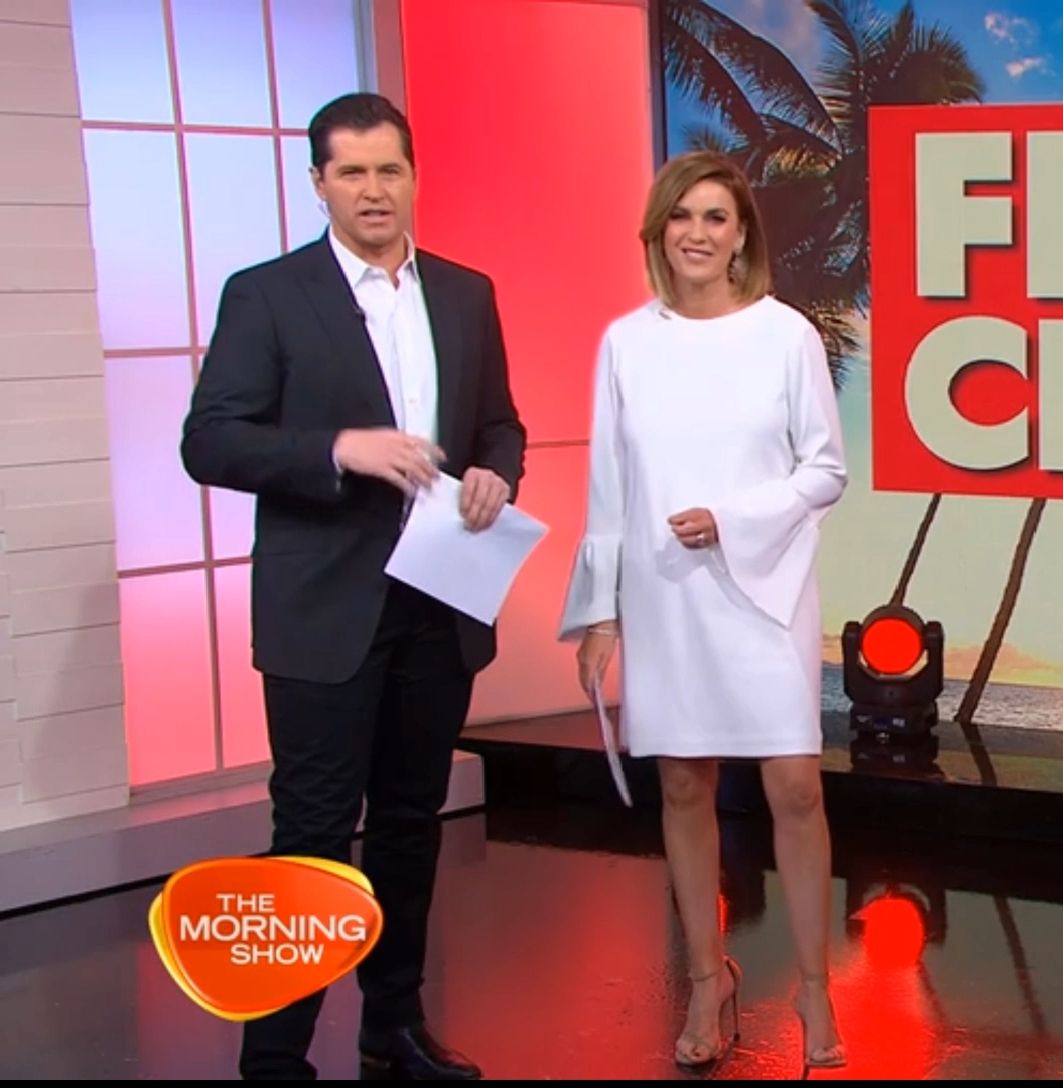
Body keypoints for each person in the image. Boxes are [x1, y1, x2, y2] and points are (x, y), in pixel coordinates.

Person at [180, 92, 525, 1081]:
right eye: (353, 172)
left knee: (411, 825)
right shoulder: (267, 294)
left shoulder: (464, 292)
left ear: (413, 177)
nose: (374, 190)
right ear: (319, 182)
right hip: (323, 611)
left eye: (390, 170)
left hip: (437, 604)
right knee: (312, 835)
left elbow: (499, 423)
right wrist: (340, 447)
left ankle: (393, 1026)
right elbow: (211, 441)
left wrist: (498, 474)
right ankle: (275, 1056)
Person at [559, 150, 849, 1073]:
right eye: (680, 216)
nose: (696, 233)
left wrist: (732, 518)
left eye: (715, 217)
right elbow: (609, 488)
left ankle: (814, 987)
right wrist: (600, 616)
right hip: (664, 590)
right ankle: (703, 978)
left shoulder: (786, 335)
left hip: (764, 587)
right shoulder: (625, 344)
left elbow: (825, 471)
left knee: (794, 787)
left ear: (741, 235)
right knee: (683, 784)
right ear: (658, 231)